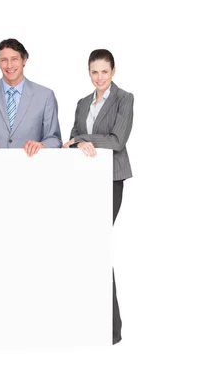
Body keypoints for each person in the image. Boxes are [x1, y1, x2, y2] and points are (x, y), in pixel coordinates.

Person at [62, 49, 134, 345]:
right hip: (82, 180)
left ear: (113, 71)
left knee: (99, 246)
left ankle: (112, 330)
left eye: (105, 71)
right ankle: (87, 320)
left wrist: (82, 140)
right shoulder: (81, 103)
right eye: (95, 72)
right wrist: (77, 141)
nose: (100, 77)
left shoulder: (124, 98)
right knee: (83, 246)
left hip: (111, 178)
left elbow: (118, 140)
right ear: (88, 73)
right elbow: (71, 136)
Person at [0, 38, 62, 155]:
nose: (9, 65)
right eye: (4, 60)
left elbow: (54, 139)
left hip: (32, 166)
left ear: (24, 60)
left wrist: (42, 145)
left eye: (14, 59)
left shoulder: (45, 95)